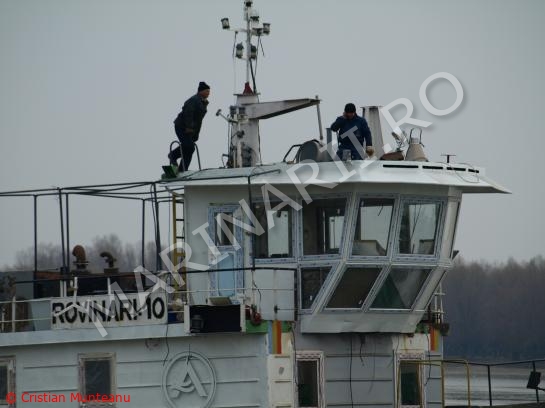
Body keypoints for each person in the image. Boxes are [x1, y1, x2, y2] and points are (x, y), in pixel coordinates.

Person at [169, 81, 210, 171]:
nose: (209, 93)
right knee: (189, 146)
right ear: (201, 91)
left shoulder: (203, 103)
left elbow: (198, 121)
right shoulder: (194, 100)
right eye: (207, 91)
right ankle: (173, 155)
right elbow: (188, 113)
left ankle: (183, 169)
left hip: (190, 129)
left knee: (189, 148)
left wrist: (195, 134)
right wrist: (189, 128)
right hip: (181, 127)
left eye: (209, 91)